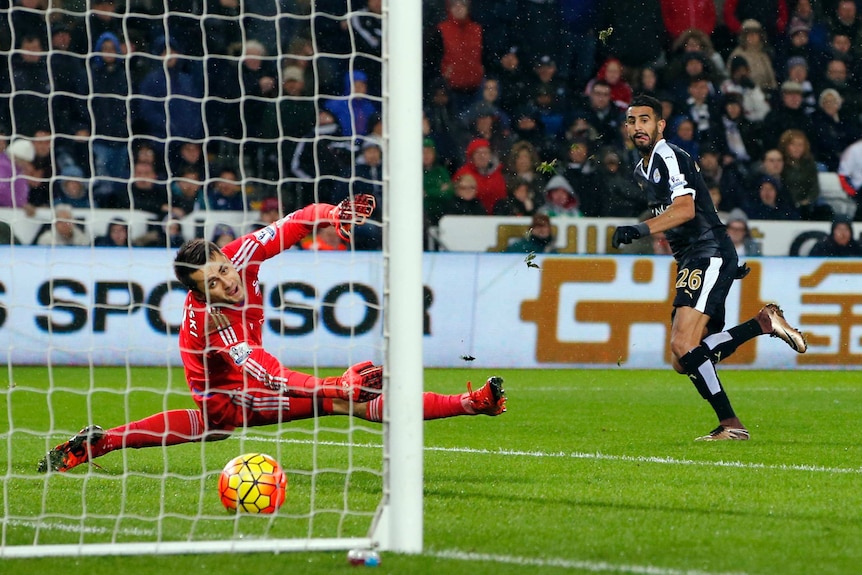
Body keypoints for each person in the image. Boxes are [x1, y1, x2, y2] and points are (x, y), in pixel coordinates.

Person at [37, 195, 507, 473]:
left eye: (223, 267)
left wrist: (334, 213)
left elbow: (294, 223)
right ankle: (470, 404)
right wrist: (330, 385)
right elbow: (270, 374)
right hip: (225, 389)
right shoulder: (214, 325)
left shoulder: (242, 256)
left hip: (249, 378)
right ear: (199, 293)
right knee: (326, 403)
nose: (227, 280)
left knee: (214, 431)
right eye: (213, 283)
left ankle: (102, 440)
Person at [611, 94, 807, 441]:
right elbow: (684, 213)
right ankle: (763, 323)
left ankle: (731, 425)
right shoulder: (643, 167)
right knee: (682, 358)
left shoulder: (668, 155)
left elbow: (685, 210)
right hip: (699, 257)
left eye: (644, 120)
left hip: (707, 252)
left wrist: (640, 229)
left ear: (660, 125)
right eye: (631, 121)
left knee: (684, 346)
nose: (637, 127)